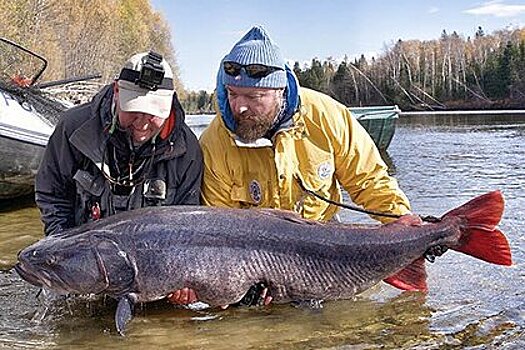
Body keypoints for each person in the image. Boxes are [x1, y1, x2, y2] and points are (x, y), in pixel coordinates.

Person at [168, 26, 412, 305]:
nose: (239, 107)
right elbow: (217, 232)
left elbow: (369, 180)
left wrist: (403, 224)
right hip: (252, 254)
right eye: (233, 94)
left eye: (253, 97)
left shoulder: (327, 115)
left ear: (279, 91)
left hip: (324, 241)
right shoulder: (214, 142)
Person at [35, 51, 203, 236]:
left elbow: (186, 225)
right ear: (117, 91)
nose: (142, 123)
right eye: (134, 110)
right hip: (84, 252)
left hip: (151, 255)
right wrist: (63, 246)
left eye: (153, 114)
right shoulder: (73, 128)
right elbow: (52, 195)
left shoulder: (187, 150)